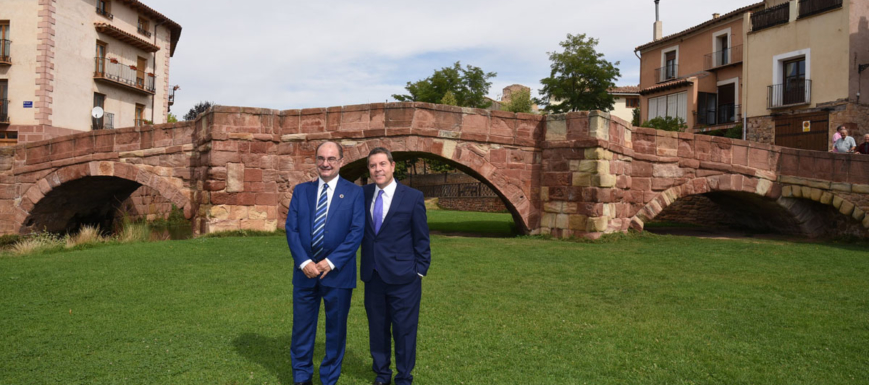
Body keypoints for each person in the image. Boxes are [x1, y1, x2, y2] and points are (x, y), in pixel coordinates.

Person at [285, 141, 365, 385]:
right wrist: (304, 262)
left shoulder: (354, 192)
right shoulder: (301, 191)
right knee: (302, 329)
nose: (325, 163)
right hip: (305, 273)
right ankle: (301, 376)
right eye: (321, 158)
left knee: (336, 330)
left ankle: (329, 378)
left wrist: (330, 262)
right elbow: (292, 229)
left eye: (331, 158)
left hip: (338, 274)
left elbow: (356, 232)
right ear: (316, 161)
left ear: (341, 161)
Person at [361, 147, 431, 385]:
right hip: (373, 276)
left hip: (405, 279)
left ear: (392, 166)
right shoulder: (362, 194)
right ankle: (382, 374)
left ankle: (404, 377)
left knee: (404, 331)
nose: (377, 169)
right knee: (377, 330)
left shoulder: (412, 197)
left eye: (382, 164)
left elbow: (422, 239)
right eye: (372, 165)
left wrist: (419, 271)